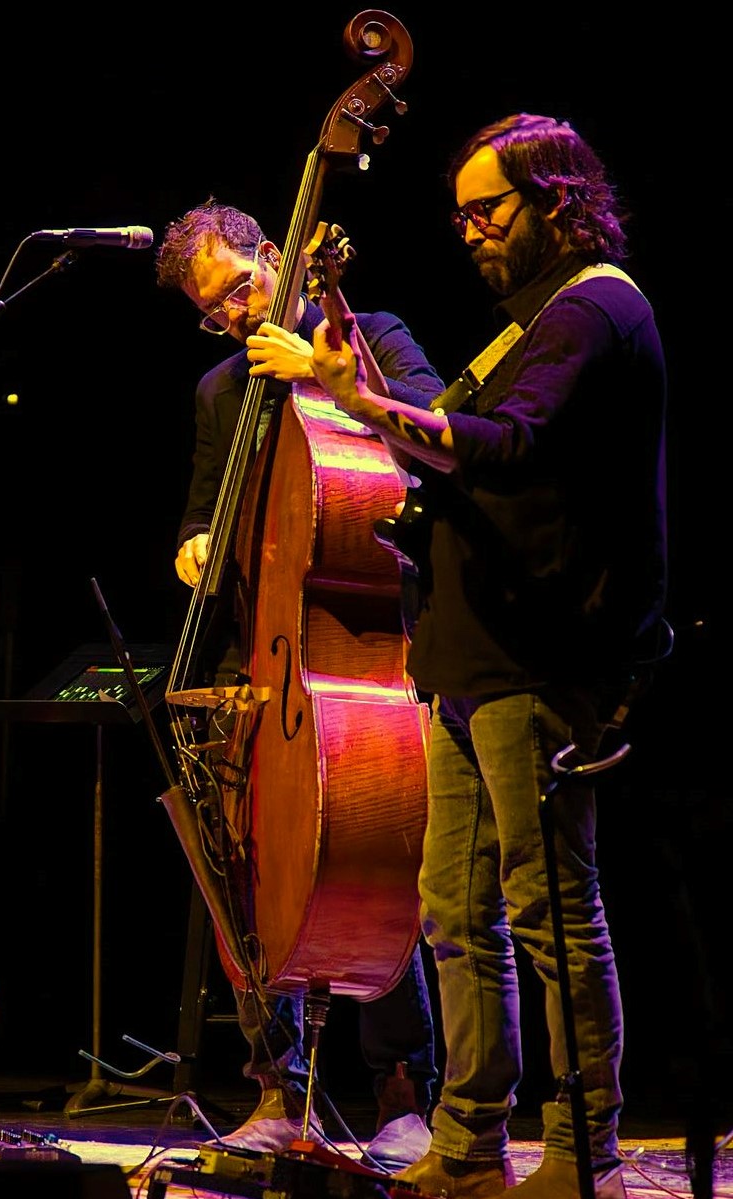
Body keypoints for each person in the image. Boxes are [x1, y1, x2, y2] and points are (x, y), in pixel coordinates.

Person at [305, 115, 666, 1199]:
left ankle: (580, 1146)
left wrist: (368, 404)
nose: (467, 232)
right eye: (457, 214)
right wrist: (365, 387)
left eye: (485, 209)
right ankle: (466, 1138)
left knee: (546, 904)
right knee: (453, 911)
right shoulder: (529, 325)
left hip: (541, 653)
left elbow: (508, 448)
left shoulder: (595, 307)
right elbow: (451, 434)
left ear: (553, 199)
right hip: (467, 655)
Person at [153, 199, 443, 1169]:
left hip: (362, 648)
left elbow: (428, 452)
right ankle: (276, 1087)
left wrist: (333, 371)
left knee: (372, 856)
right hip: (260, 657)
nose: (233, 314)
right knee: (248, 868)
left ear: (273, 257)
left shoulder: (370, 336)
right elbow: (205, 509)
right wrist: (194, 545)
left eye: (238, 288)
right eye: (213, 308)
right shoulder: (215, 392)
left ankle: (402, 1086)